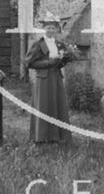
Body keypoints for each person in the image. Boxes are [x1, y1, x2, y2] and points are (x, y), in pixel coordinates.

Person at [25, 15, 73, 144]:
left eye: (53, 28)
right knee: (44, 106)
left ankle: (56, 136)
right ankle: (41, 137)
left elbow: (59, 63)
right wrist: (49, 62)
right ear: (44, 29)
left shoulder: (59, 44)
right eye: (48, 28)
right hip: (44, 78)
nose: (51, 30)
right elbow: (29, 63)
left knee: (57, 104)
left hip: (56, 77)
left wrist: (65, 59)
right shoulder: (39, 44)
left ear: (57, 29)